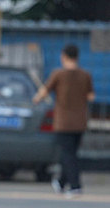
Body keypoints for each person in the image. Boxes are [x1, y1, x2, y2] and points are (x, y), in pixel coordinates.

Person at [33, 44, 95, 198]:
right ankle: (61, 183)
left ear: (64, 56)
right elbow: (91, 96)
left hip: (63, 121)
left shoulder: (58, 74)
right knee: (70, 153)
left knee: (67, 154)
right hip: (80, 121)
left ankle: (75, 186)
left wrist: (35, 100)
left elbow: (44, 91)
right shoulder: (85, 75)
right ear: (77, 57)